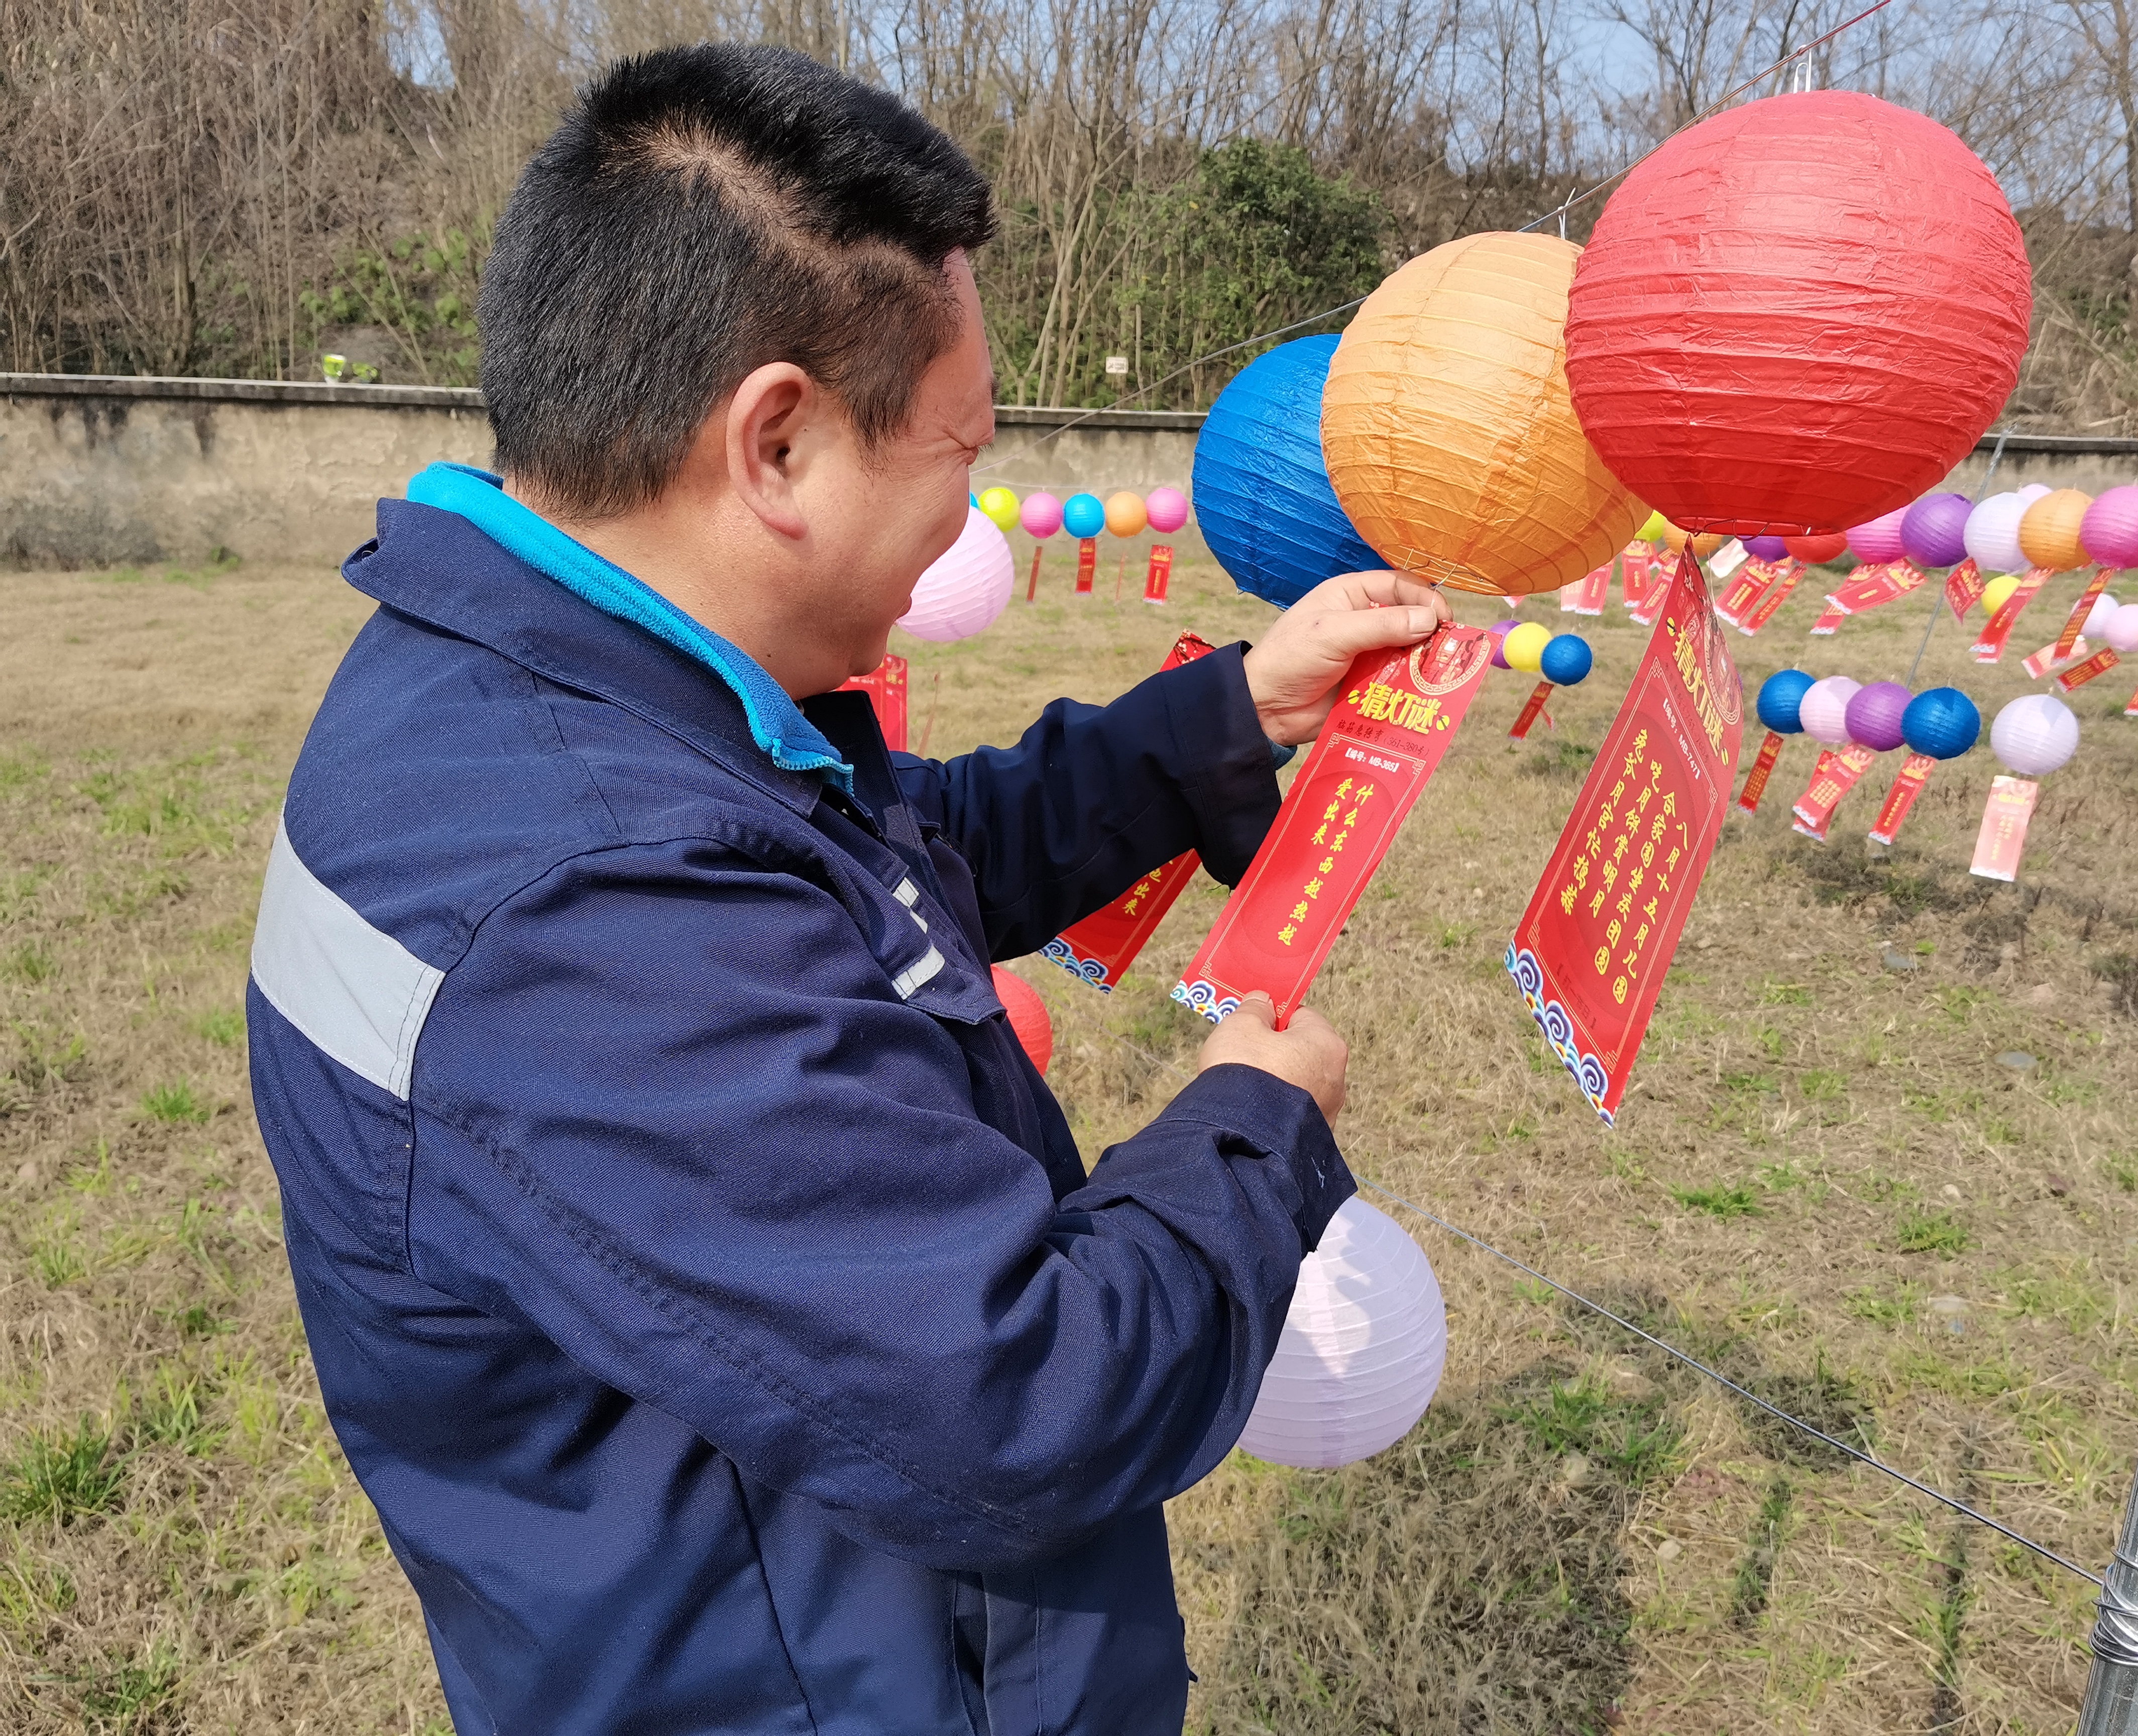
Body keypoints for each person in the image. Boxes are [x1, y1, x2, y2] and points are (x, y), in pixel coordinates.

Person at [246, 41, 1451, 1736]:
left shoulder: (546, 702)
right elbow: (1031, 1398)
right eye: (957, 454)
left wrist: (1227, 717)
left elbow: (882, 876)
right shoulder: (586, 907)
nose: (970, 507)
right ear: (781, 447)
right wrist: (1257, 1118)